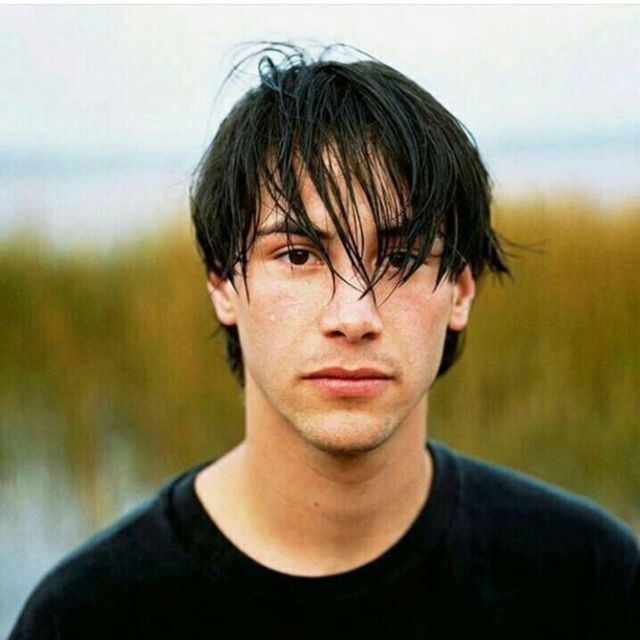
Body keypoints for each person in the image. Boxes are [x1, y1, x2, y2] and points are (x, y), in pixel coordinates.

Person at [9, 43, 639, 639]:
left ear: (461, 292)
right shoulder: (88, 617)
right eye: (298, 254)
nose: (354, 315)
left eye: (401, 259)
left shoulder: (589, 579)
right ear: (223, 285)